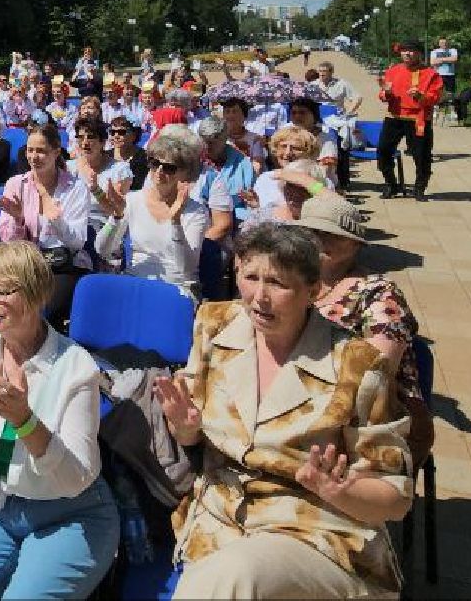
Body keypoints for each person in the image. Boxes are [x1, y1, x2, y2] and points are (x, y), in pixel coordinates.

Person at [153, 223, 412, 598]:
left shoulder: (356, 364)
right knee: (224, 575)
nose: (259, 297)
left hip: (314, 531)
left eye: (277, 283)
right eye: (250, 277)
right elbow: (192, 438)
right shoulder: (214, 325)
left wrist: (339, 490)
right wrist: (186, 429)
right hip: (219, 523)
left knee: (233, 574)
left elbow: (396, 499)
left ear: (313, 291)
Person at [0, 243, 117, 599]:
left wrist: (24, 421)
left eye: (1, 291)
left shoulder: (76, 367)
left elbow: (76, 478)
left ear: (35, 291)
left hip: (68, 514)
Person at [297, 192, 434, 465]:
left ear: (355, 244)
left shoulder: (379, 293)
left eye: (332, 234)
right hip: (304, 398)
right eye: (310, 232)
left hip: (372, 418)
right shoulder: (295, 280)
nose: (319, 240)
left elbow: (375, 372)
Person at [98, 124, 212, 297]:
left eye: (169, 168)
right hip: (137, 283)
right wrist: (116, 217)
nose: (159, 171)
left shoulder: (196, 212)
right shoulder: (132, 200)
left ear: (184, 173)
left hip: (177, 288)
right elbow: (103, 250)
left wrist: (175, 222)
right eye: (155, 163)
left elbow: (187, 268)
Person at [0, 123, 93, 323]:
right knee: (5, 303)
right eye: (30, 150)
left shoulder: (75, 188)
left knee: (41, 311)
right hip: (25, 264)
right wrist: (18, 219)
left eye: (41, 151)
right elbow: (8, 241)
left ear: (56, 152)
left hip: (62, 265)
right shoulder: (15, 184)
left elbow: (77, 243)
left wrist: (57, 221)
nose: (34, 157)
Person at [375, 41, 442, 200]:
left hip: (418, 118)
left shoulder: (431, 74)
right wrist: (386, 92)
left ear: (419, 53)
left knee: (421, 155)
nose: (407, 53)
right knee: (383, 150)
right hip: (394, 117)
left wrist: (420, 96)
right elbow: (383, 95)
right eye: (404, 50)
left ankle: (419, 188)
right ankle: (391, 184)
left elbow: (435, 97)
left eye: (411, 51)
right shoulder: (393, 71)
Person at [429, 37, 462, 122]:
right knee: (437, 93)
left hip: (450, 75)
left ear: (448, 43)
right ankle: (435, 110)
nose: (443, 44)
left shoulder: (453, 50)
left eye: (445, 42)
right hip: (438, 75)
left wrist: (440, 59)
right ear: (439, 44)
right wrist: (447, 59)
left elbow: (454, 59)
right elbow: (432, 62)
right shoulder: (434, 51)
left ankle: (452, 111)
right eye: (441, 43)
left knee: (451, 94)